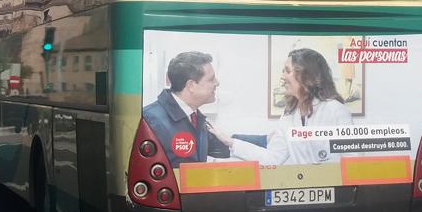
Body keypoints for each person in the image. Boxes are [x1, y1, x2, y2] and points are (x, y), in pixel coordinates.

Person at [210, 48, 351, 165]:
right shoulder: (289, 115)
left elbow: (352, 162)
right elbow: (272, 159)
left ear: (306, 76)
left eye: (287, 71)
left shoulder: (335, 110)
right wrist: (230, 141)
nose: (282, 76)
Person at [141, 51, 220, 168]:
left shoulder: (197, 118)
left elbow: (223, 147)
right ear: (191, 85)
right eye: (211, 79)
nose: (217, 83)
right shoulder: (150, 120)